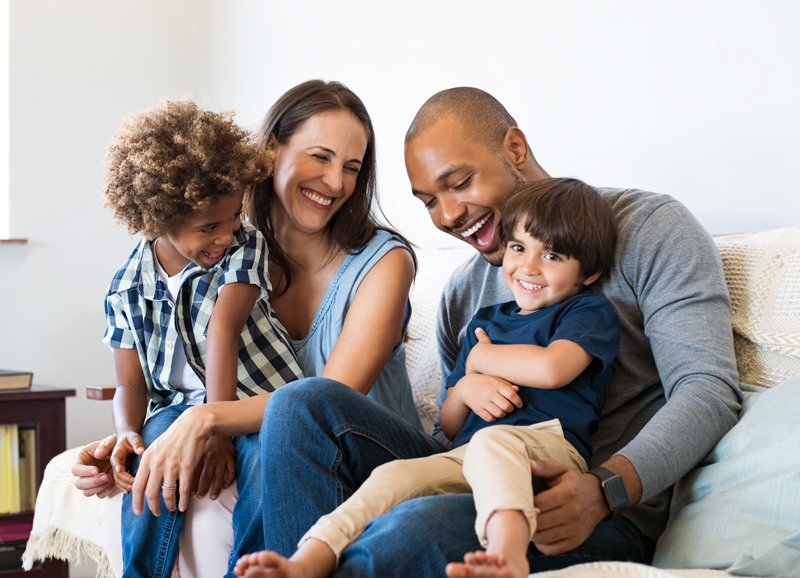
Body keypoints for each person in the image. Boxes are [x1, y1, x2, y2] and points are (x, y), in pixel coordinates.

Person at [246, 86, 742, 577]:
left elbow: (707, 390)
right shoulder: (464, 293)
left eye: (459, 183)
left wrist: (605, 490)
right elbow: (452, 432)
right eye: (428, 202)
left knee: (411, 529)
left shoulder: (649, 228)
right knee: (300, 403)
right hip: (475, 471)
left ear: (515, 149)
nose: (448, 216)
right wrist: (466, 388)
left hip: (587, 506)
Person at [73, 81, 431, 578]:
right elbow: (166, 368)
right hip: (272, 440)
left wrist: (206, 419)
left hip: (364, 457)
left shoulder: (383, 263)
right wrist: (129, 438)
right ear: (269, 152)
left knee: (280, 427)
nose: (335, 182)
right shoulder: (226, 252)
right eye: (320, 157)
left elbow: (327, 401)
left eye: (352, 167)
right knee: (166, 454)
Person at [233, 177, 621, 578]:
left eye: (553, 256)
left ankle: (508, 555)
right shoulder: (485, 322)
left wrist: (482, 359)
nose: (529, 267)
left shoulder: (586, 313)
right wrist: (467, 385)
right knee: (393, 476)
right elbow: (451, 425)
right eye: (519, 248)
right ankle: (308, 559)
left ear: (588, 273)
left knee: (493, 441)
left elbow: (552, 368)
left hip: (548, 450)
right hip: (466, 455)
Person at [99, 98, 304, 578]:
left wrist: (216, 428)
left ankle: (252, 570)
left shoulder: (243, 245)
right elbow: (130, 384)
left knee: (263, 464)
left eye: (233, 217)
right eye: (208, 227)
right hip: (175, 410)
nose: (225, 234)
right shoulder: (126, 287)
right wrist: (128, 431)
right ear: (157, 219)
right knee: (153, 455)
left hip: (258, 400)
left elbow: (222, 331)